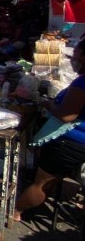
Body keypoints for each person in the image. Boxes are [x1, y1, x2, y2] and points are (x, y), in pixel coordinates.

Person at [13, 40, 85, 222]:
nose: (73, 61)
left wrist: (49, 104)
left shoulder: (82, 84)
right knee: (52, 180)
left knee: (41, 184)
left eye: (76, 58)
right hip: (78, 142)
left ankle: (15, 212)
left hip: (69, 141)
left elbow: (66, 116)